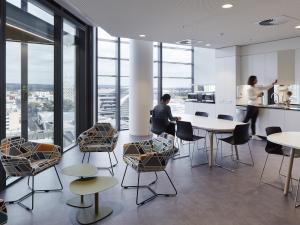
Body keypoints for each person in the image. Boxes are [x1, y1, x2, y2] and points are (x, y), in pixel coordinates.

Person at [243, 75, 277, 140]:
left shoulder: (257, 86)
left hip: (256, 106)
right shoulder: (250, 89)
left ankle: (253, 135)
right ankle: (238, 132)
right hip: (251, 106)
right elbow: (250, 98)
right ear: (253, 80)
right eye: (256, 79)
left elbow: (265, 87)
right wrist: (258, 95)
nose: (257, 80)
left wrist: (273, 83)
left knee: (253, 121)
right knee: (245, 120)